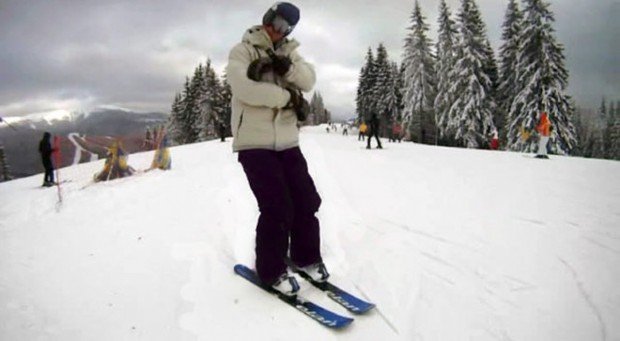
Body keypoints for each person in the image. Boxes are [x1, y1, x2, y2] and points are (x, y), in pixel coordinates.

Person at [227, 2, 328, 296]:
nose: (277, 31)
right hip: (254, 143)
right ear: (268, 19)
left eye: (285, 28)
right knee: (277, 206)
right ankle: (271, 270)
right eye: (276, 23)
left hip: (287, 142)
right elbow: (245, 89)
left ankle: (306, 257)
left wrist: (290, 69)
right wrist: (287, 98)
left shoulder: (289, 53)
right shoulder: (242, 51)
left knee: (306, 200)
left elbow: (309, 80)